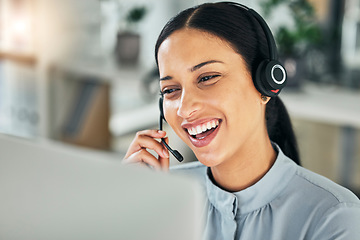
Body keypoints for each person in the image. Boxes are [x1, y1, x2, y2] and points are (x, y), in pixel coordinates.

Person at [123, 2, 360, 239]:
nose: (185, 108)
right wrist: (122, 208)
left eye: (207, 77)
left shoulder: (334, 217)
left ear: (265, 85)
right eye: (170, 90)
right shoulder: (163, 192)